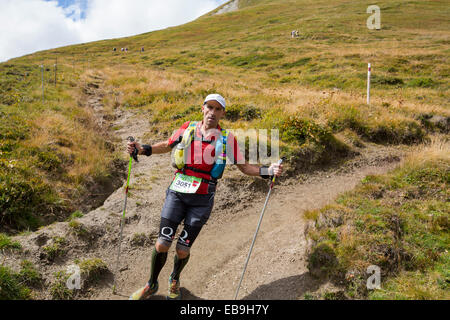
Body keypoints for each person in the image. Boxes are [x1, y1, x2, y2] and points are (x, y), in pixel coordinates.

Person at [127, 93, 283, 300]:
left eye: (218, 109)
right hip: (177, 191)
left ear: (223, 113)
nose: (213, 112)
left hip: (202, 199)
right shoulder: (188, 128)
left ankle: (174, 279)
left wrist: (268, 171)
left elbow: (245, 167)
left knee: (182, 249)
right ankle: (151, 284)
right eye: (209, 107)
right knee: (162, 243)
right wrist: (144, 149)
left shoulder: (227, 139)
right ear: (203, 108)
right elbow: (166, 145)